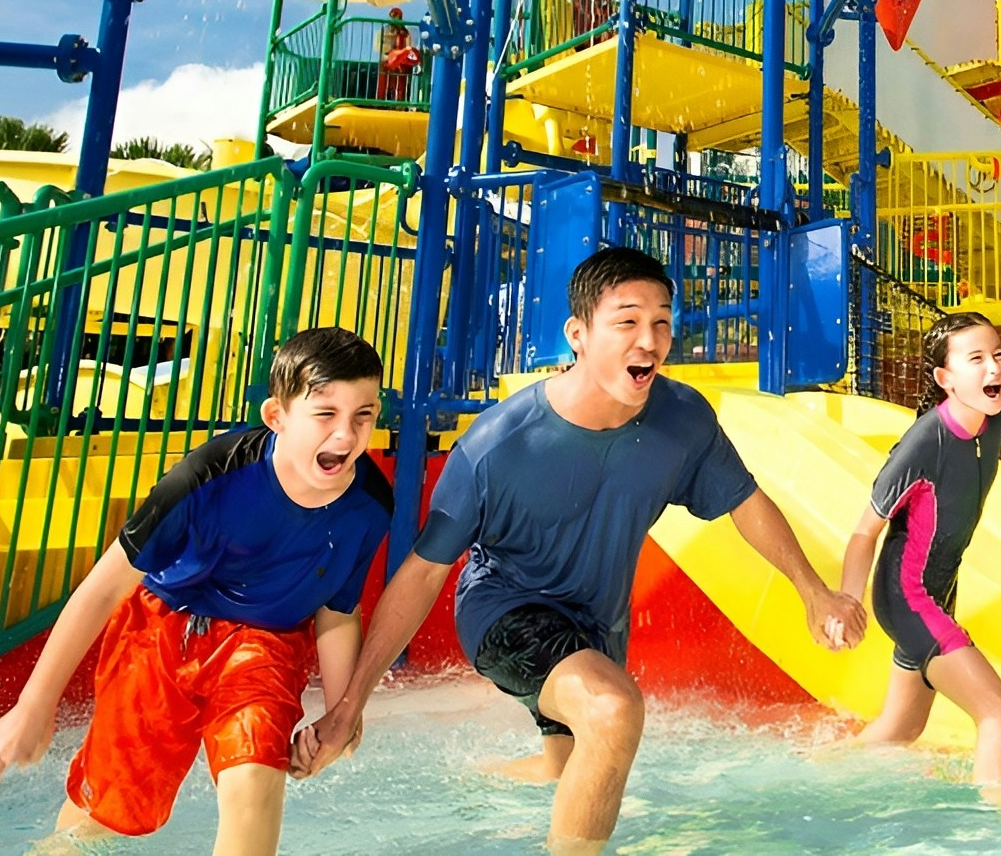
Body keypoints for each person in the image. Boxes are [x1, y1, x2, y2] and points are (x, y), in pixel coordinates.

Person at [300, 245, 866, 855]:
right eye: (626, 321)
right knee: (612, 709)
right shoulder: (497, 446)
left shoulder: (683, 419)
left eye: (661, 321)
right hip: (505, 614)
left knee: (570, 765)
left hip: (598, 628)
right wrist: (349, 706)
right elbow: (420, 574)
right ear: (578, 334)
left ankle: (464, 787)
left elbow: (745, 502)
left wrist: (815, 592)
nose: (648, 340)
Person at [0, 328, 392, 856]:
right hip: (161, 632)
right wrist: (33, 705)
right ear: (277, 416)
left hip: (265, 645)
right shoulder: (207, 477)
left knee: (254, 782)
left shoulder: (368, 503)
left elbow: (338, 608)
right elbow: (102, 588)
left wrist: (340, 717)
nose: (346, 435)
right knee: (104, 815)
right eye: (326, 414)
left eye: (363, 415)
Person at [839, 311, 1001, 805]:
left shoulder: (992, 418)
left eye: (999, 356)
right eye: (977, 359)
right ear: (944, 378)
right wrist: (847, 603)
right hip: (908, 596)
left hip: (940, 591)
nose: (994, 369)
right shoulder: (925, 441)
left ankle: (815, 773)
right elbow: (864, 531)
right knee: (998, 712)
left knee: (901, 728)